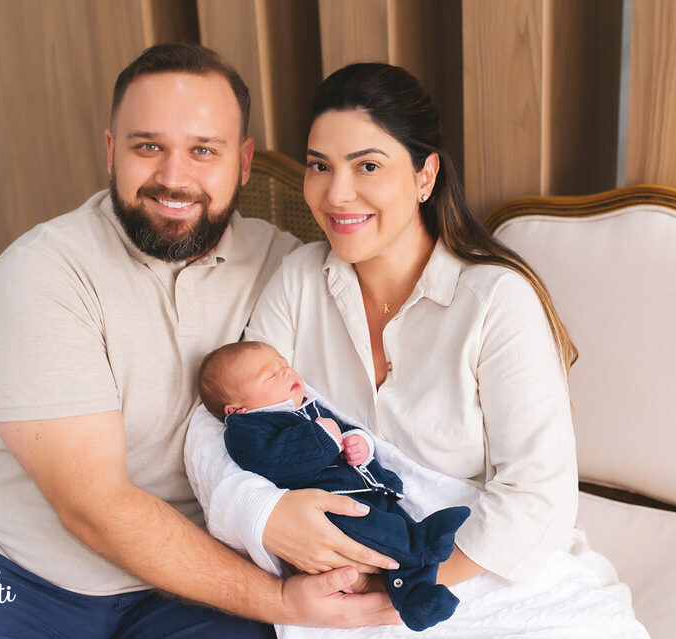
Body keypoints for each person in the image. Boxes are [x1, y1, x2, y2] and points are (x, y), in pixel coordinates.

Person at [0, 45, 403, 639]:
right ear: (112, 151)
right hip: (14, 564)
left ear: (242, 162)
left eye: (203, 150)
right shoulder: (40, 275)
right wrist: (279, 601)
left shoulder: (287, 269)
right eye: (148, 147)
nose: (174, 178)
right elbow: (93, 507)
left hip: (202, 579)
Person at [186, 63, 649, 636]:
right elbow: (216, 425)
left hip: (477, 572)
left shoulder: (496, 299)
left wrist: (398, 583)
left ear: (425, 175)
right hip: (341, 577)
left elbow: (536, 498)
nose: (336, 193)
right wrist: (266, 515)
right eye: (320, 166)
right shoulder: (300, 280)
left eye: (368, 166)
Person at [198, 341, 471, 631]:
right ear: (237, 409)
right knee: (393, 537)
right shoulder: (247, 430)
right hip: (330, 507)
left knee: (397, 527)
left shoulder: (308, 406)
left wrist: (361, 444)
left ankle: (418, 597)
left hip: (367, 489)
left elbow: (347, 429)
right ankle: (421, 546)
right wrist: (324, 436)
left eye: (284, 364)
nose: (286, 372)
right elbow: (279, 459)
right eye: (270, 375)